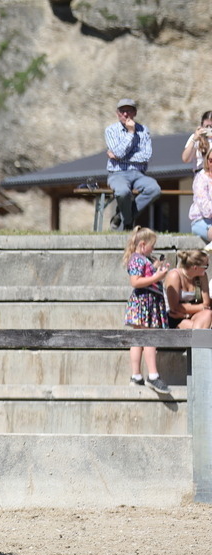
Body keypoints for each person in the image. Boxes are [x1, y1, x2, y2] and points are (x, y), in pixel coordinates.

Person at [123, 227, 171, 394]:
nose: (154, 249)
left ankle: (136, 376)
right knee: (149, 337)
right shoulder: (137, 260)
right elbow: (135, 282)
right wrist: (157, 277)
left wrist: (156, 268)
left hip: (147, 301)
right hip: (145, 301)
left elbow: (145, 276)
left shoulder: (142, 259)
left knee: (139, 339)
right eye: (152, 245)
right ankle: (152, 375)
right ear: (142, 244)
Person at [105, 98, 162, 230]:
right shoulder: (111, 130)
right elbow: (118, 152)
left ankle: (123, 216)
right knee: (122, 192)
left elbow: (146, 156)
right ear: (117, 113)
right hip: (117, 173)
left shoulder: (144, 130)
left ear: (135, 113)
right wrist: (130, 133)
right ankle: (129, 221)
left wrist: (120, 157)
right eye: (122, 111)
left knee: (154, 189)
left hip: (139, 173)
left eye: (129, 111)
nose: (125, 114)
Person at [164, 249, 211, 330]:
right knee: (200, 328)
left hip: (193, 315)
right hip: (175, 318)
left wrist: (189, 311)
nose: (206, 268)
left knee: (208, 314)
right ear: (195, 268)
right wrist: (200, 307)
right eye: (206, 266)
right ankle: (199, 340)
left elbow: (206, 304)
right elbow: (174, 308)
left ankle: (199, 340)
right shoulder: (175, 276)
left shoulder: (202, 276)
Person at [187, 147, 212, 253]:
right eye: (211, 160)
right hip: (201, 221)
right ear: (206, 160)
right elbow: (206, 210)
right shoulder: (201, 178)